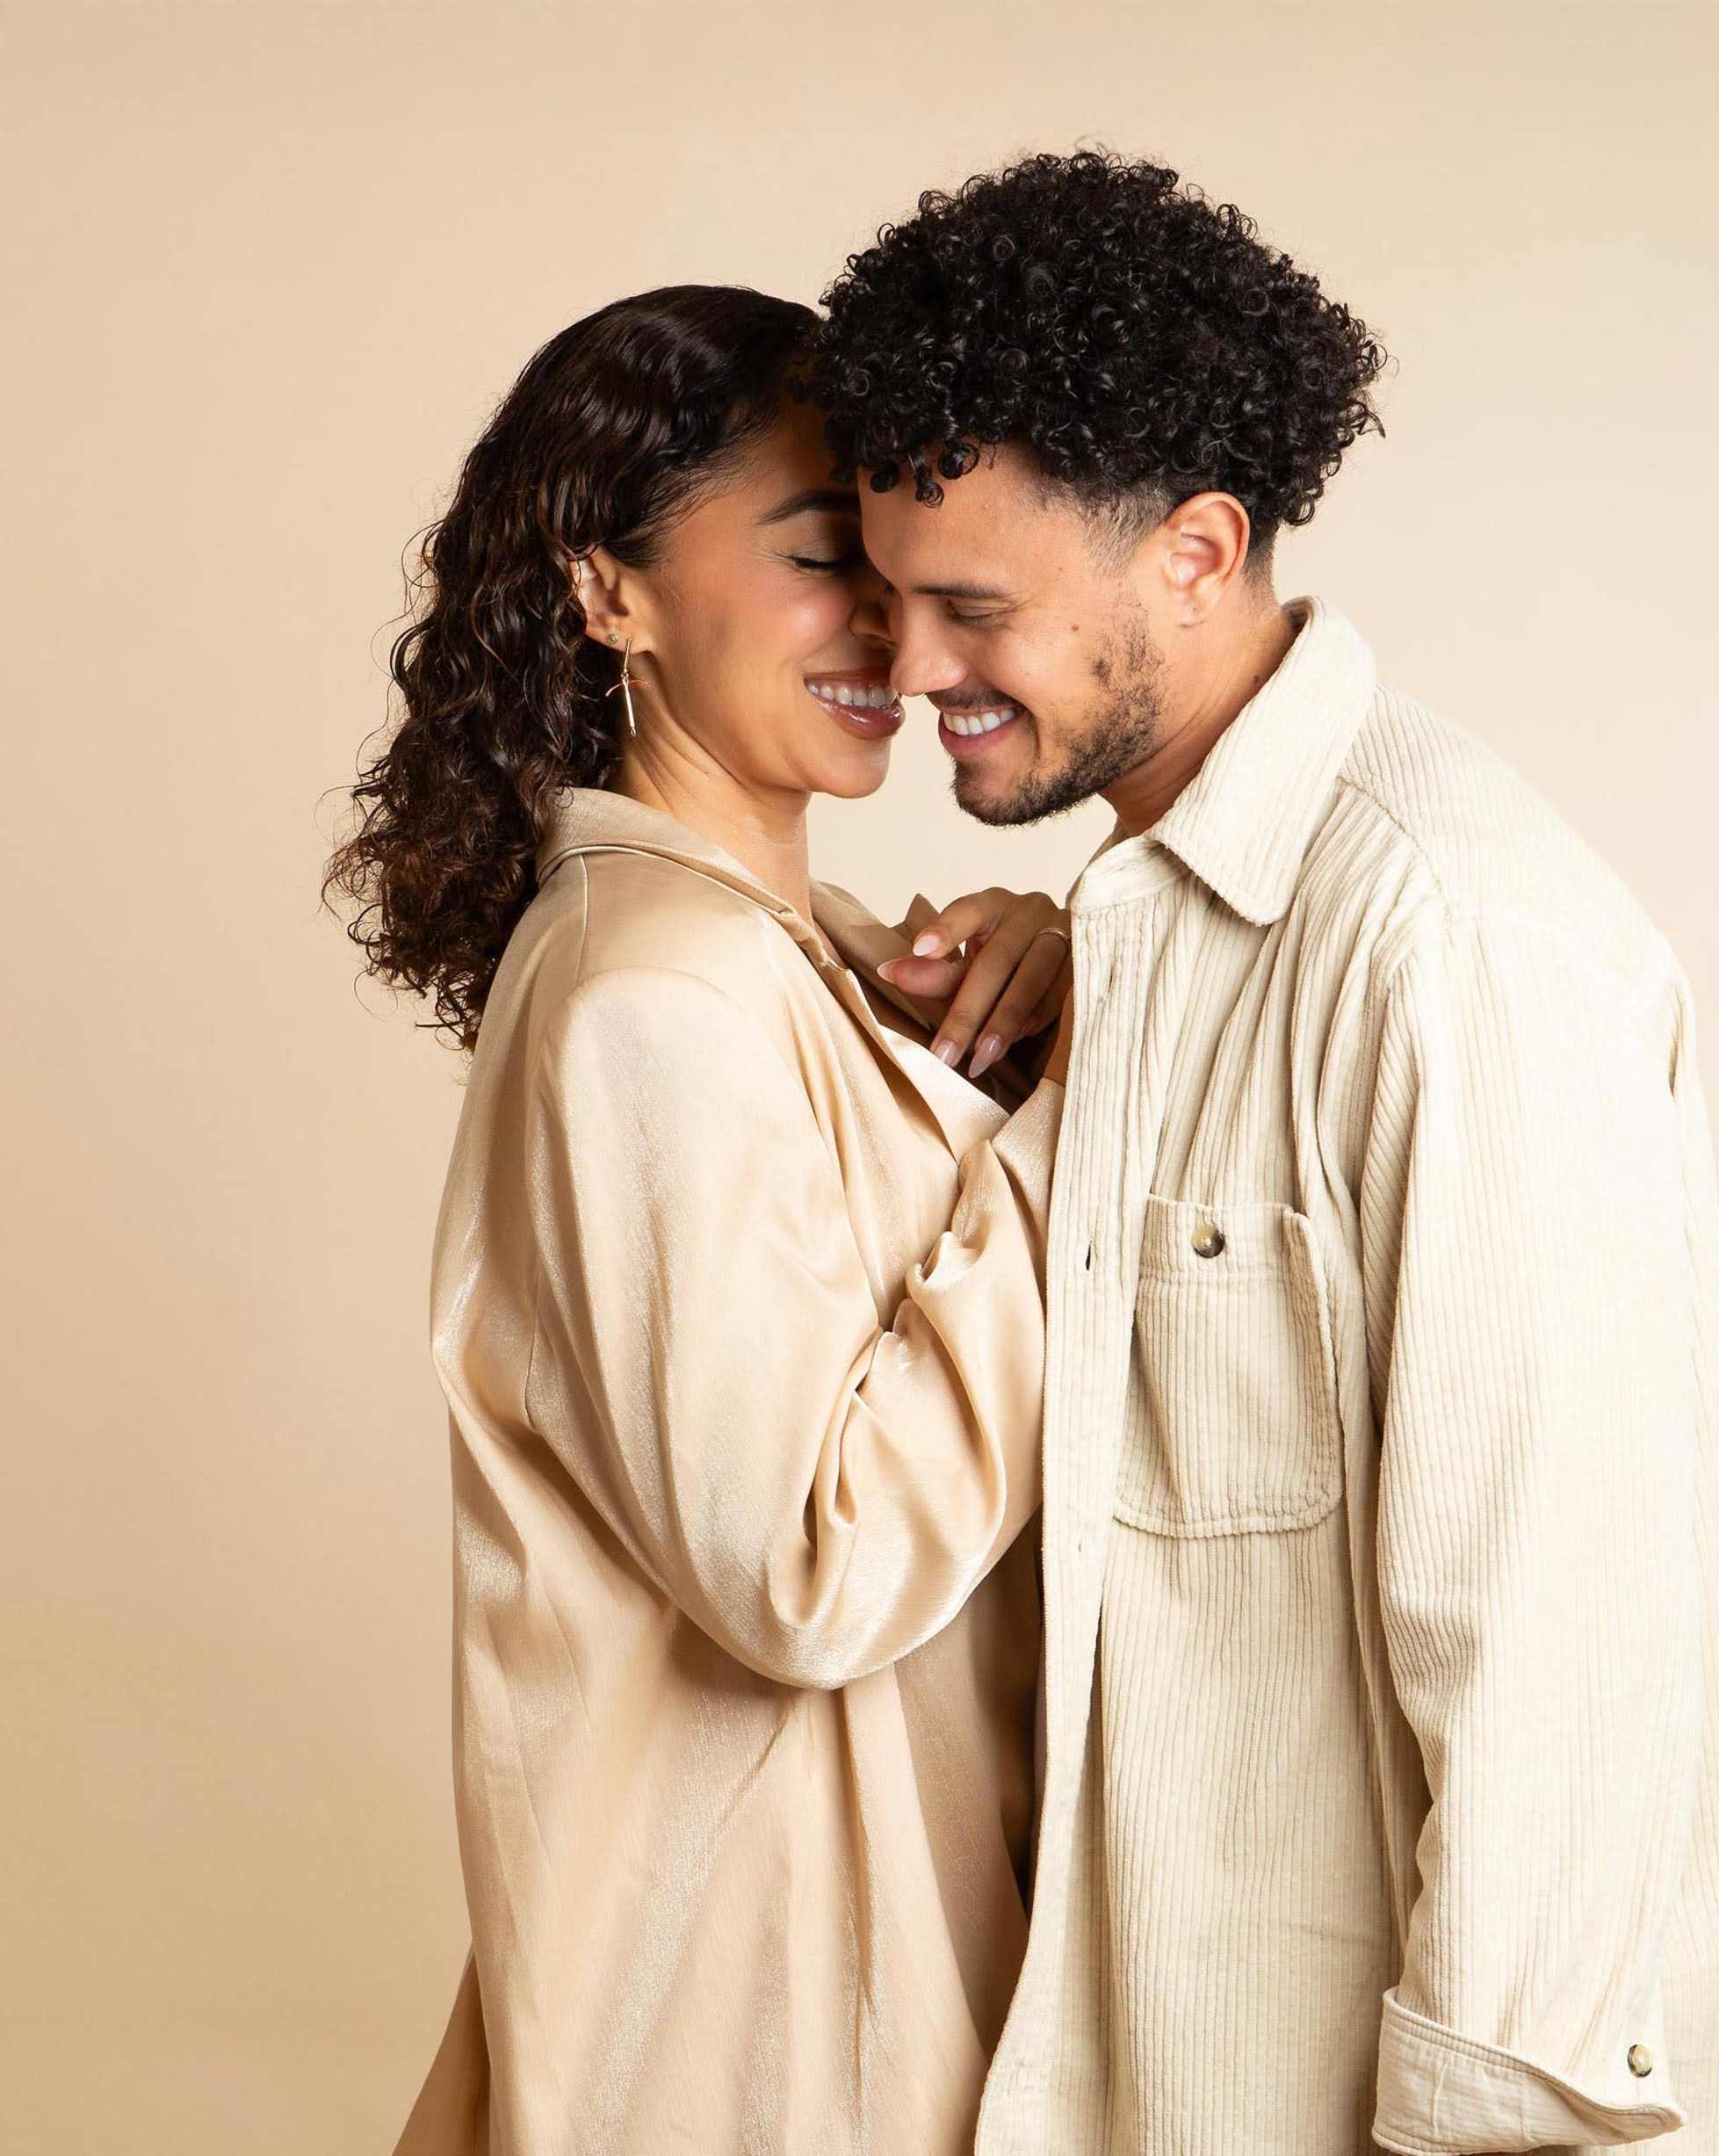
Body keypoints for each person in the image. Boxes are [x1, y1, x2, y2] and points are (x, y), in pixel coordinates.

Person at [810, 151, 1719, 2153]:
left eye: (974, 608)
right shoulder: (1137, 942)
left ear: (1197, 549)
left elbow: (1558, 1662)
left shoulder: (1455, 947)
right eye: (894, 601)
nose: (910, 676)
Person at [325, 285, 1081, 2153]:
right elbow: (810, 1569)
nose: (892, 636)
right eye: (827, 557)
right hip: (763, 2042)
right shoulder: (651, 996)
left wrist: (1030, 1014)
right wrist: (1087, 1130)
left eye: (904, 565)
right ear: (610, 593)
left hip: (834, 1989)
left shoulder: (773, 967)